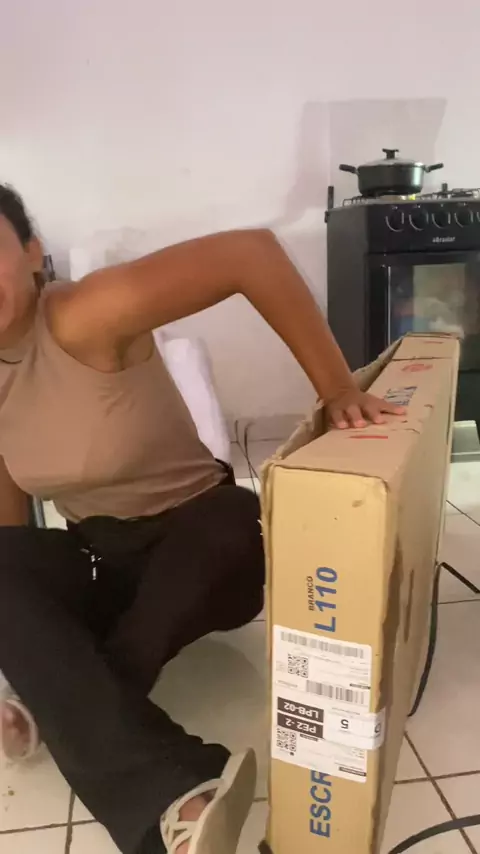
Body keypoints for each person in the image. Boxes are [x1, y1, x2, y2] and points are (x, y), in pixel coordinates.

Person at [0, 184, 402, 854]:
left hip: (204, 544)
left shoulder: (83, 313)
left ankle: (77, 703)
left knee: (234, 514)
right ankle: (177, 797)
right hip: (101, 556)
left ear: (32, 250)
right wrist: (25, 625)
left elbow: (251, 254)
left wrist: (337, 387)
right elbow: (13, 531)